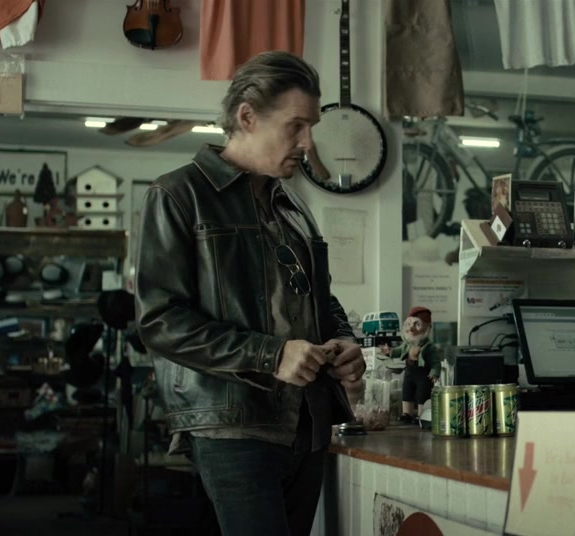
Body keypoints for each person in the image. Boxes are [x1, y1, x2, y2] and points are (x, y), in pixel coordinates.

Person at [134, 51, 365, 536]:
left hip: (306, 420)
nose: (308, 143)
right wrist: (272, 354)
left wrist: (345, 341)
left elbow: (320, 298)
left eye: (311, 127)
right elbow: (160, 321)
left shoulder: (292, 206)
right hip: (233, 426)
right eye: (295, 126)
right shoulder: (178, 195)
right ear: (247, 117)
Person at [379, 306, 440, 423]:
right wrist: (390, 351)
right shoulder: (407, 344)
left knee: (422, 394)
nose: (411, 328)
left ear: (427, 327)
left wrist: (435, 372)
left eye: (417, 324)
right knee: (407, 392)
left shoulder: (429, 347)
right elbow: (399, 351)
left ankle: (422, 415)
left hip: (423, 374)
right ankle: (407, 413)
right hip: (409, 372)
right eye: (409, 324)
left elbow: (436, 362)